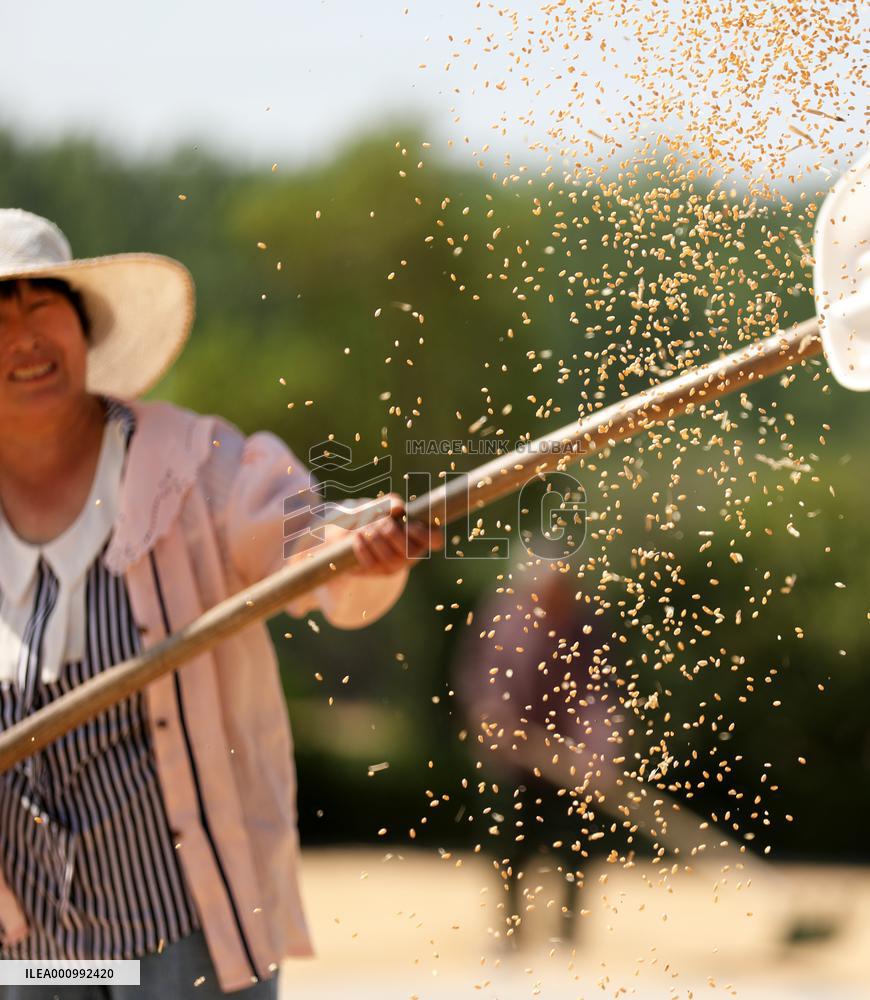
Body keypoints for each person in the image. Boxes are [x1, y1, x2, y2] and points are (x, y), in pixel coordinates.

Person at [0, 208, 441, 998]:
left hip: (178, 937)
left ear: (84, 328)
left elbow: (307, 543)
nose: (24, 337)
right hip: (29, 947)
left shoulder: (186, 464)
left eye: (43, 308)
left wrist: (356, 546)